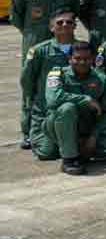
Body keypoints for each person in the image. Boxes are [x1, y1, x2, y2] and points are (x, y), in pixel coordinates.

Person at [12, 0, 79, 149]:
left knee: (65, 81)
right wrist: (33, 33)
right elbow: (16, 16)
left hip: (65, 42)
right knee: (31, 86)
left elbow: (74, 11)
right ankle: (29, 131)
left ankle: (61, 126)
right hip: (35, 42)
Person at [35, 41, 106, 174]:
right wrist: (86, 99)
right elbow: (52, 99)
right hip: (57, 125)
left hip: (87, 128)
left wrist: (94, 136)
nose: (82, 62)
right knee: (67, 108)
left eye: (86, 59)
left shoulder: (102, 79)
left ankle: (77, 150)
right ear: (69, 59)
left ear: (92, 59)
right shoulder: (57, 74)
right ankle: (69, 160)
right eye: (77, 59)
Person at [21, 10, 79, 151]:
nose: (64, 25)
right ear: (52, 28)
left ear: (74, 26)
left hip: (76, 105)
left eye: (69, 22)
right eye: (59, 22)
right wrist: (35, 101)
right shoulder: (39, 51)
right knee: (46, 152)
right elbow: (27, 80)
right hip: (47, 109)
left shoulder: (83, 48)